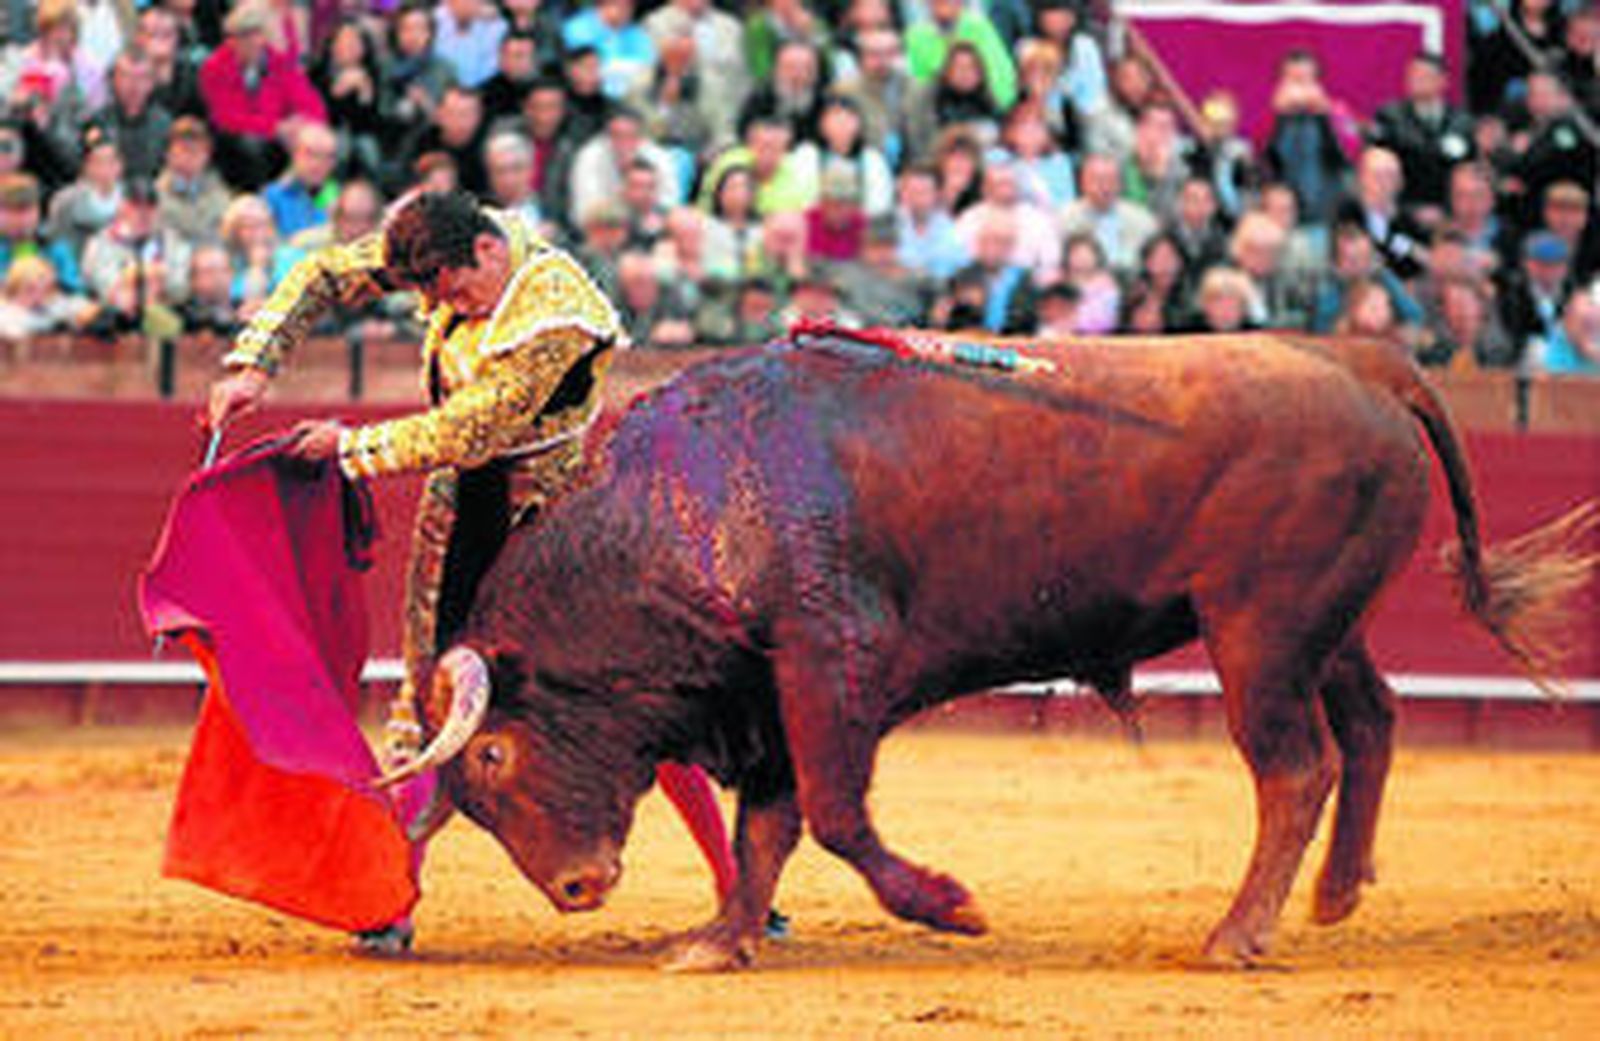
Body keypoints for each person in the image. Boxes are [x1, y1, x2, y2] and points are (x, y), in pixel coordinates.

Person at [205, 188, 744, 953]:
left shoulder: (558, 313)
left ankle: (738, 886)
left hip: (553, 523)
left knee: (632, 699)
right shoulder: (450, 248)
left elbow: (474, 426)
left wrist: (350, 449)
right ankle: (394, 899)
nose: (446, 306)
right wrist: (253, 363)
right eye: (431, 295)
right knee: (431, 700)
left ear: (488, 253)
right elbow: (325, 273)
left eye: (454, 290)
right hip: (458, 511)